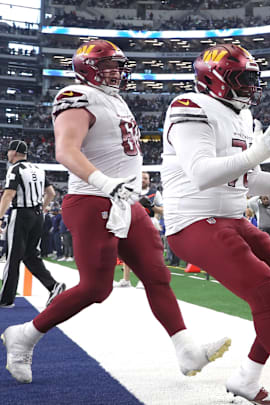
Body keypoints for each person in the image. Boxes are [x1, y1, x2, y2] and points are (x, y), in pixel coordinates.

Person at [1, 40, 229, 385]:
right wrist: (106, 183)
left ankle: (186, 350)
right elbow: (65, 151)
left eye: (119, 66)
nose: (118, 73)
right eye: (109, 66)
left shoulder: (116, 99)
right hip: (93, 199)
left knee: (157, 275)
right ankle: (25, 334)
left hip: (124, 200)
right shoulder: (75, 95)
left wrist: (128, 180)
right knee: (96, 288)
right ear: (88, 68)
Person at [161, 44, 270, 404]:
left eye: (253, 79)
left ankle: (247, 377)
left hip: (232, 217)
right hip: (193, 219)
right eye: (242, 79)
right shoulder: (188, 107)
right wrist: (255, 154)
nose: (250, 87)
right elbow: (201, 174)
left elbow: (249, 178)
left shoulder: (243, 117)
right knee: (262, 284)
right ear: (216, 79)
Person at [0, 140, 66, 309]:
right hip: (37, 215)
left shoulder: (15, 169)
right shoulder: (38, 169)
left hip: (21, 214)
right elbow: (50, 193)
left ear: (14, 153)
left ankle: (6, 299)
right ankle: (53, 286)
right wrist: (41, 209)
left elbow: (8, 195)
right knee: (30, 255)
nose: (8, 154)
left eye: (9, 152)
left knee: (12, 257)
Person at [115, 171, 164, 288]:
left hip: (149, 223)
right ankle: (126, 280)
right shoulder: (130, 191)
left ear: (149, 180)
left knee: (146, 253)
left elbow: (162, 210)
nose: (143, 180)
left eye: (145, 178)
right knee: (128, 251)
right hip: (130, 222)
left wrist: (151, 206)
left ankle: (144, 279)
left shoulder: (155, 193)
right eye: (141, 178)